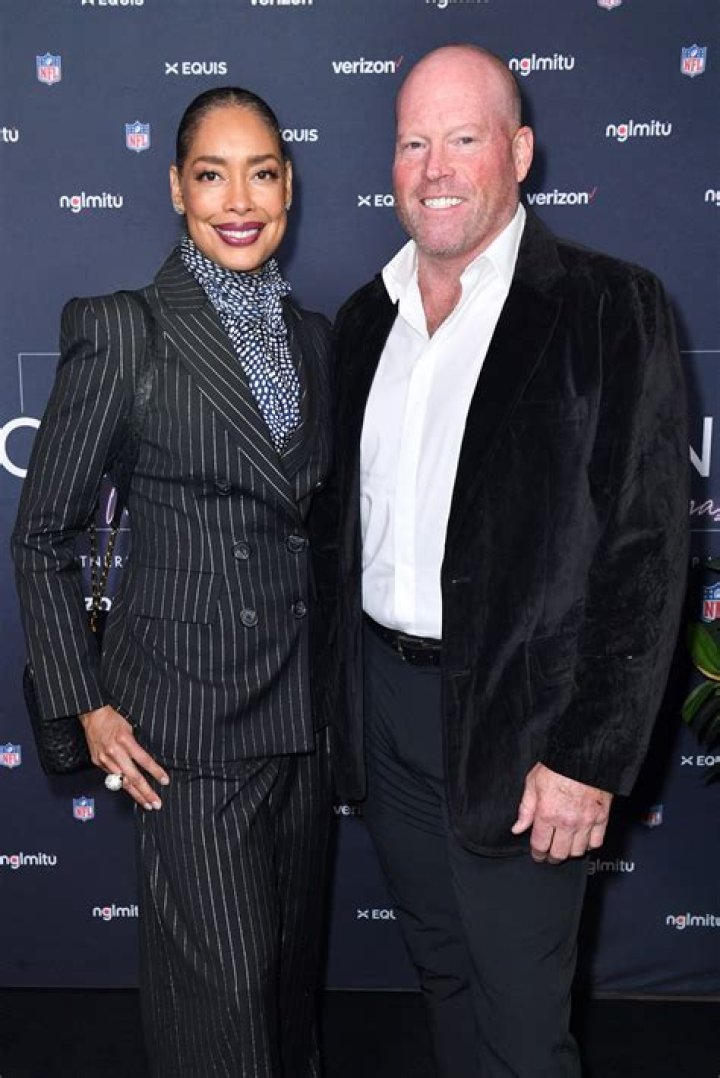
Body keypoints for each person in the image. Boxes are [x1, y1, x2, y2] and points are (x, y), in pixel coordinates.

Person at [328, 44, 689, 1077]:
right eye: (413, 143)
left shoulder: (610, 307)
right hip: (385, 713)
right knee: (444, 978)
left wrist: (588, 757)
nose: (434, 168)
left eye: (463, 138)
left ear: (520, 152)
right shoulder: (364, 320)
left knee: (524, 1023)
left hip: (528, 734)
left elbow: (646, 553)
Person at [13, 87, 333, 1077]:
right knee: (219, 1015)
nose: (238, 200)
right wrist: (87, 702)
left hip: (303, 727)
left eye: (261, 173)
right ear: (176, 188)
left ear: (288, 186)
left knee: (284, 1003)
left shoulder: (314, 339)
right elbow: (42, 536)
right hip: (189, 733)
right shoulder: (127, 330)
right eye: (211, 174)